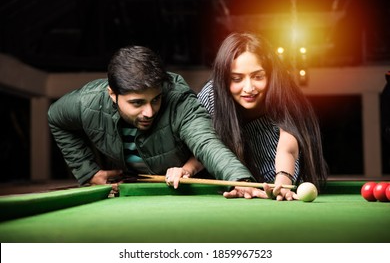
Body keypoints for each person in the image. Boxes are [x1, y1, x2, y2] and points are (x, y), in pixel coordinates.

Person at [48, 45, 263, 197]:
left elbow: (207, 143)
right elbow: (56, 118)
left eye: (156, 99)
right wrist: (88, 172)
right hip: (129, 190)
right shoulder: (88, 102)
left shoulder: (179, 100)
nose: (149, 112)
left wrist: (240, 180)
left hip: (186, 191)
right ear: (112, 94)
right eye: (137, 103)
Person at [197, 32, 328, 201]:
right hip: (231, 184)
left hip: (281, 176)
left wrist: (282, 182)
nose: (249, 88)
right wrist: (186, 170)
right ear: (224, 79)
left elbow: (288, 146)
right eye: (237, 79)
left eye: (258, 77)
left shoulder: (283, 91)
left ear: (270, 74)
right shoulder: (212, 95)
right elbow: (201, 141)